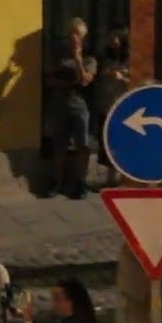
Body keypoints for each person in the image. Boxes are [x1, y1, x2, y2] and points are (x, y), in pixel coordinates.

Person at [42, 17, 97, 200]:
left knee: (82, 146)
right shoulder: (59, 55)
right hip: (60, 107)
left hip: (79, 108)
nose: (75, 39)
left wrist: (78, 59)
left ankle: (80, 183)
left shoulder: (89, 58)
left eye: (79, 35)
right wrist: (67, 81)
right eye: (73, 34)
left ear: (84, 38)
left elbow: (85, 81)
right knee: (59, 146)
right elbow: (48, 80)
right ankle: (56, 182)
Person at [93, 27, 129, 188]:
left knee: (122, 142)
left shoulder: (130, 58)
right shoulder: (104, 57)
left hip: (123, 107)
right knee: (107, 141)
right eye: (110, 38)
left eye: (115, 38)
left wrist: (122, 78)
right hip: (106, 103)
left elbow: (137, 80)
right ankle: (109, 177)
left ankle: (122, 176)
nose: (112, 42)